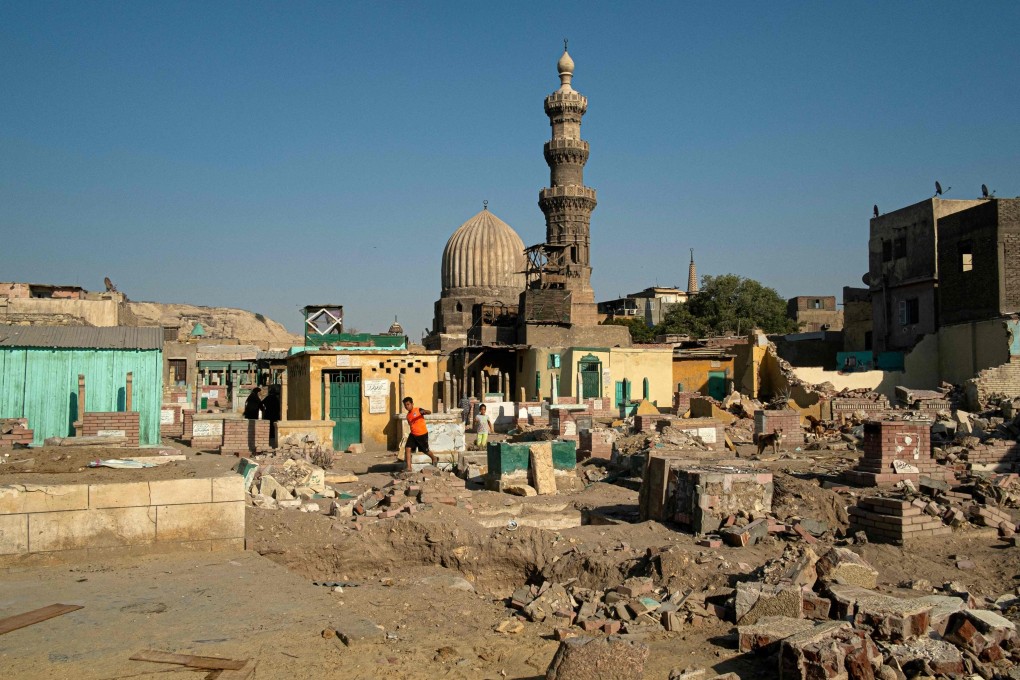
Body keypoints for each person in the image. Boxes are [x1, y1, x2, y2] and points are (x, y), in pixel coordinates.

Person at [403, 397, 435, 469]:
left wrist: (425, 411)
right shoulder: (408, 416)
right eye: (405, 405)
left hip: (422, 434)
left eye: (408, 404)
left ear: (412, 404)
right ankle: (409, 468)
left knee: (425, 450)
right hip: (413, 434)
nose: (406, 406)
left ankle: (434, 458)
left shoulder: (418, 410)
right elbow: (410, 424)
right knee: (407, 448)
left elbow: (429, 412)